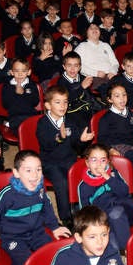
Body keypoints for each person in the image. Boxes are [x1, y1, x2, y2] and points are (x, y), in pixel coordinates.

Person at [37, 86, 94, 224]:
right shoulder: (42, 123)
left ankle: (84, 209)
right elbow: (46, 144)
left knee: (83, 176)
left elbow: (76, 145)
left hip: (69, 159)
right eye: (58, 102)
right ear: (47, 105)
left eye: (65, 102)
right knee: (61, 182)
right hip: (50, 163)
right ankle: (66, 217)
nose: (63, 106)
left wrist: (82, 140)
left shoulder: (70, 121)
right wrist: (60, 137)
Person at [77, 144, 133, 249]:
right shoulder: (83, 186)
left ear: (108, 162)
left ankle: (128, 250)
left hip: (126, 212)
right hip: (103, 222)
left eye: (103, 160)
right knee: (112, 245)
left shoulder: (113, 173)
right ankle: (120, 247)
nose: (99, 164)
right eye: (94, 160)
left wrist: (108, 178)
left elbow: (125, 192)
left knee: (116, 212)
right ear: (87, 163)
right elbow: (85, 213)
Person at [99, 83, 133, 194]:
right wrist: (110, 149)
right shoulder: (106, 118)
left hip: (131, 146)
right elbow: (102, 138)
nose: (122, 99)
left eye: (124, 95)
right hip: (117, 146)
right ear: (110, 100)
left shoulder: (130, 113)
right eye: (117, 96)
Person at [75, 23, 119, 92]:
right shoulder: (82, 46)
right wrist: (96, 73)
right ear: (86, 32)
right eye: (91, 28)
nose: (94, 30)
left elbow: (115, 63)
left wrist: (113, 72)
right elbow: (78, 66)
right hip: (94, 77)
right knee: (111, 90)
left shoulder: (106, 45)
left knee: (124, 85)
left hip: (111, 75)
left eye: (96, 28)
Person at [1, 58, 40, 131]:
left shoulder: (32, 85)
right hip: (15, 115)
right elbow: (5, 104)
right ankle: (13, 124)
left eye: (23, 71)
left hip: (30, 114)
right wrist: (15, 93)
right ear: (11, 72)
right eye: (16, 71)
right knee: (21, 127)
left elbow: (35, 102)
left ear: (29, 72)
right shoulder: (7, 86)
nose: (20, 74)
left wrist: (23, 93)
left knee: (37, 124)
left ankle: (10, 124)